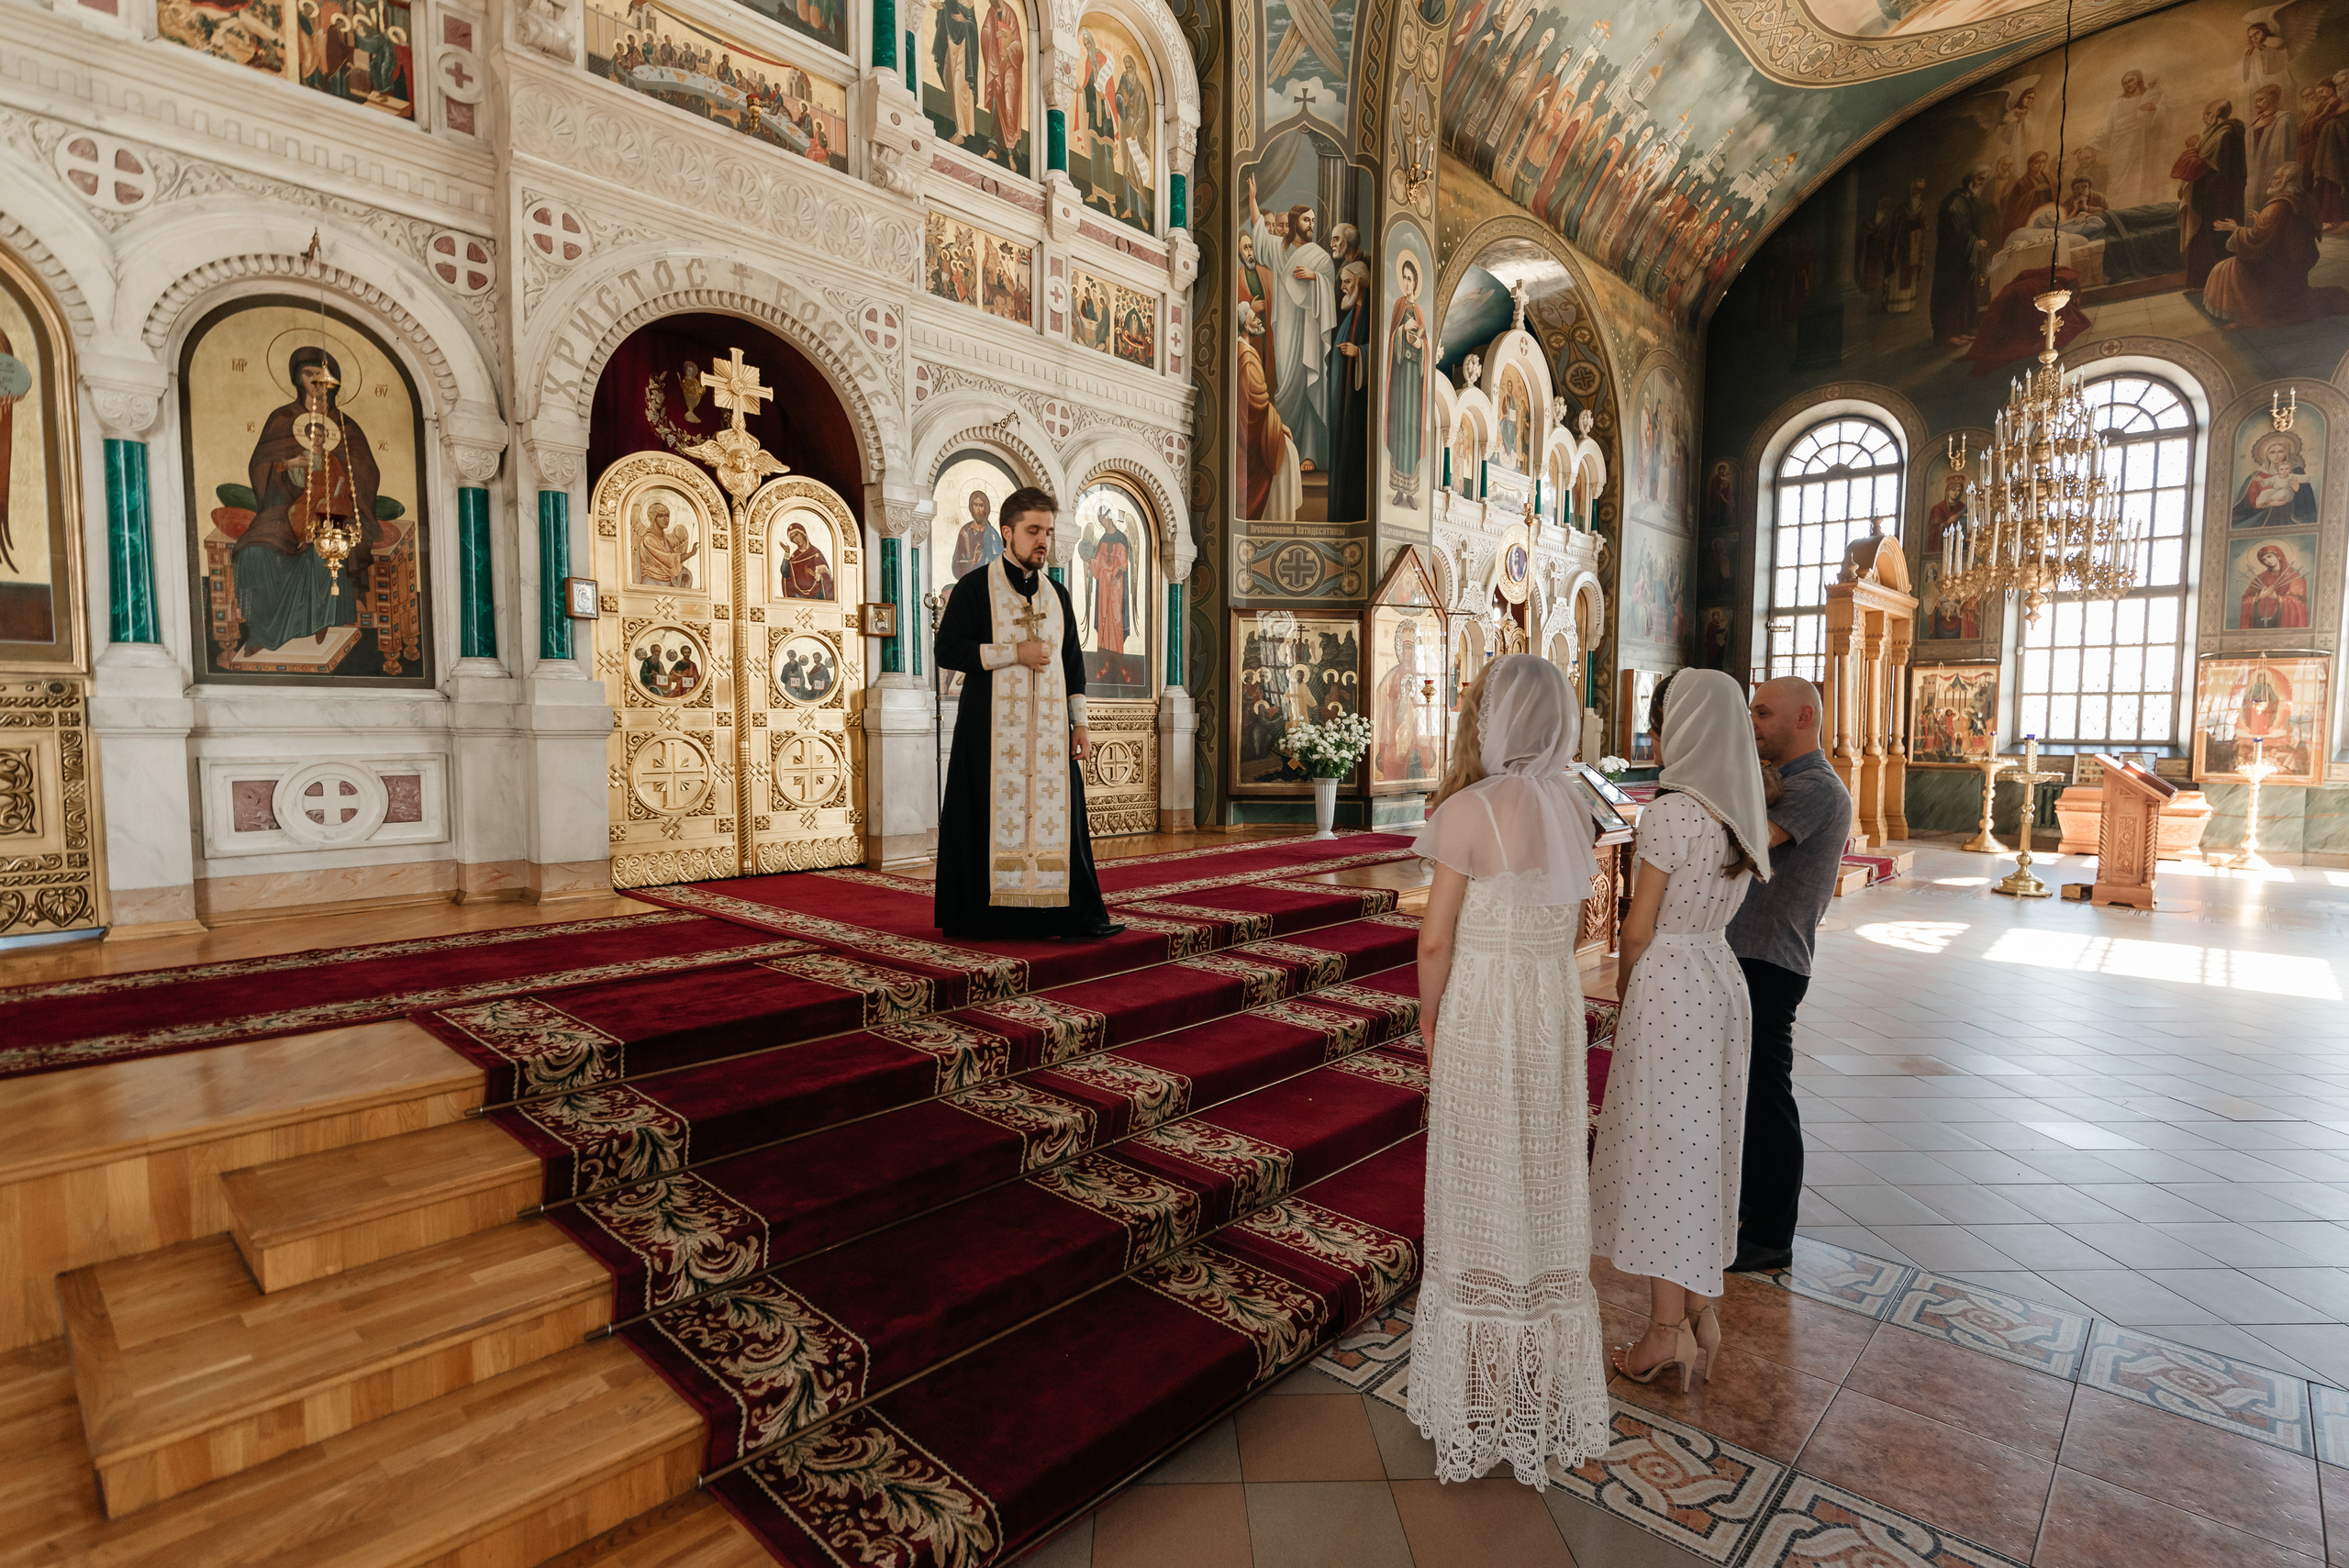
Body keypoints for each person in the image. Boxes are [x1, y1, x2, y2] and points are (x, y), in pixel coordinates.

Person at [1408, 654, 1611, 1486]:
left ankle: (1481, 1390)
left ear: (1493, 720)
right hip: (1551, 1009)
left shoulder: (1467, 810)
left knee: (1479, 1176)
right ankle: (1541, 1388)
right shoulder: (1576, 810)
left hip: (1486, 1009)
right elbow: (1568, 929)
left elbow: (1434, 936)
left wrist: (1428, 1018)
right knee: (1542, 1172)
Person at [1590, 670, 1774, 1387]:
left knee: (1665, 1151)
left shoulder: (1672, 813)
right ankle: (1701, 1307)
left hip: (1670, 983)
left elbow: (1636, 929)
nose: (1656, 732)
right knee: (1705, 1143)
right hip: (1719, 976)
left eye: (1663, 718)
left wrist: (1628, 994)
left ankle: (1664, 1331)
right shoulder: (1736, 809)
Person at [931, 486, 1123, 942]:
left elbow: (1072, 663)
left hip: (1053, 734)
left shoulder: (1057, 594)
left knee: (1063, 823)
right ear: (1007, 532)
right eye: (1033, 531)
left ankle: (1069, 917)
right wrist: (1013, 652)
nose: (1043, 541)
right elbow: (947, 649)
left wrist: (1081, 724)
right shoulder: (974, 588)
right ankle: (985, 918)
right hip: (988, 733)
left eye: (1049, 532)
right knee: (984, 816)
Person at [1725, 677, 1853, 1274]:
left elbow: (1748, 842)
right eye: (1751, 709)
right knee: (1747, 1096)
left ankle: (1773, 1232)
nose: (1753, 720)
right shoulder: (1781, 779)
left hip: (1770, 959)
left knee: (1767, 1098)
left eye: (1763, 711)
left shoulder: (1818, 788)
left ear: (1804, 717)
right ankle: (1751, 1208)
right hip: (1748, 955)